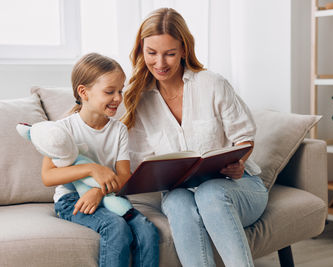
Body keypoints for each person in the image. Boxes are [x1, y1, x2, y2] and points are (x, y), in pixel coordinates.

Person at [122, 8, 268, 267]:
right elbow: (140, 161)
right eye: (151, 53)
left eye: (170, 53)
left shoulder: (212, 84)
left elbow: (244, 137)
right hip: (180, 191)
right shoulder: (138, 100)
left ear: (184, 51)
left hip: (237, 187)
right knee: (177, 201)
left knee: (210, 192)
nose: (160, 63)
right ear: (141, 51)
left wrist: (238, 162)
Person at [41, 53, 159, 267]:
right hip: (71, 200)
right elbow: (48, 176)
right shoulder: (63, 130)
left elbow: (124, 175)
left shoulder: (119, 130)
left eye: (120, 91)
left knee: (147, 231)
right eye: (109, 92)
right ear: (83, 92)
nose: (117, 98)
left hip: (110, 196)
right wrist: (91, 169)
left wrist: (98, 191)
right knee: (115, 227)